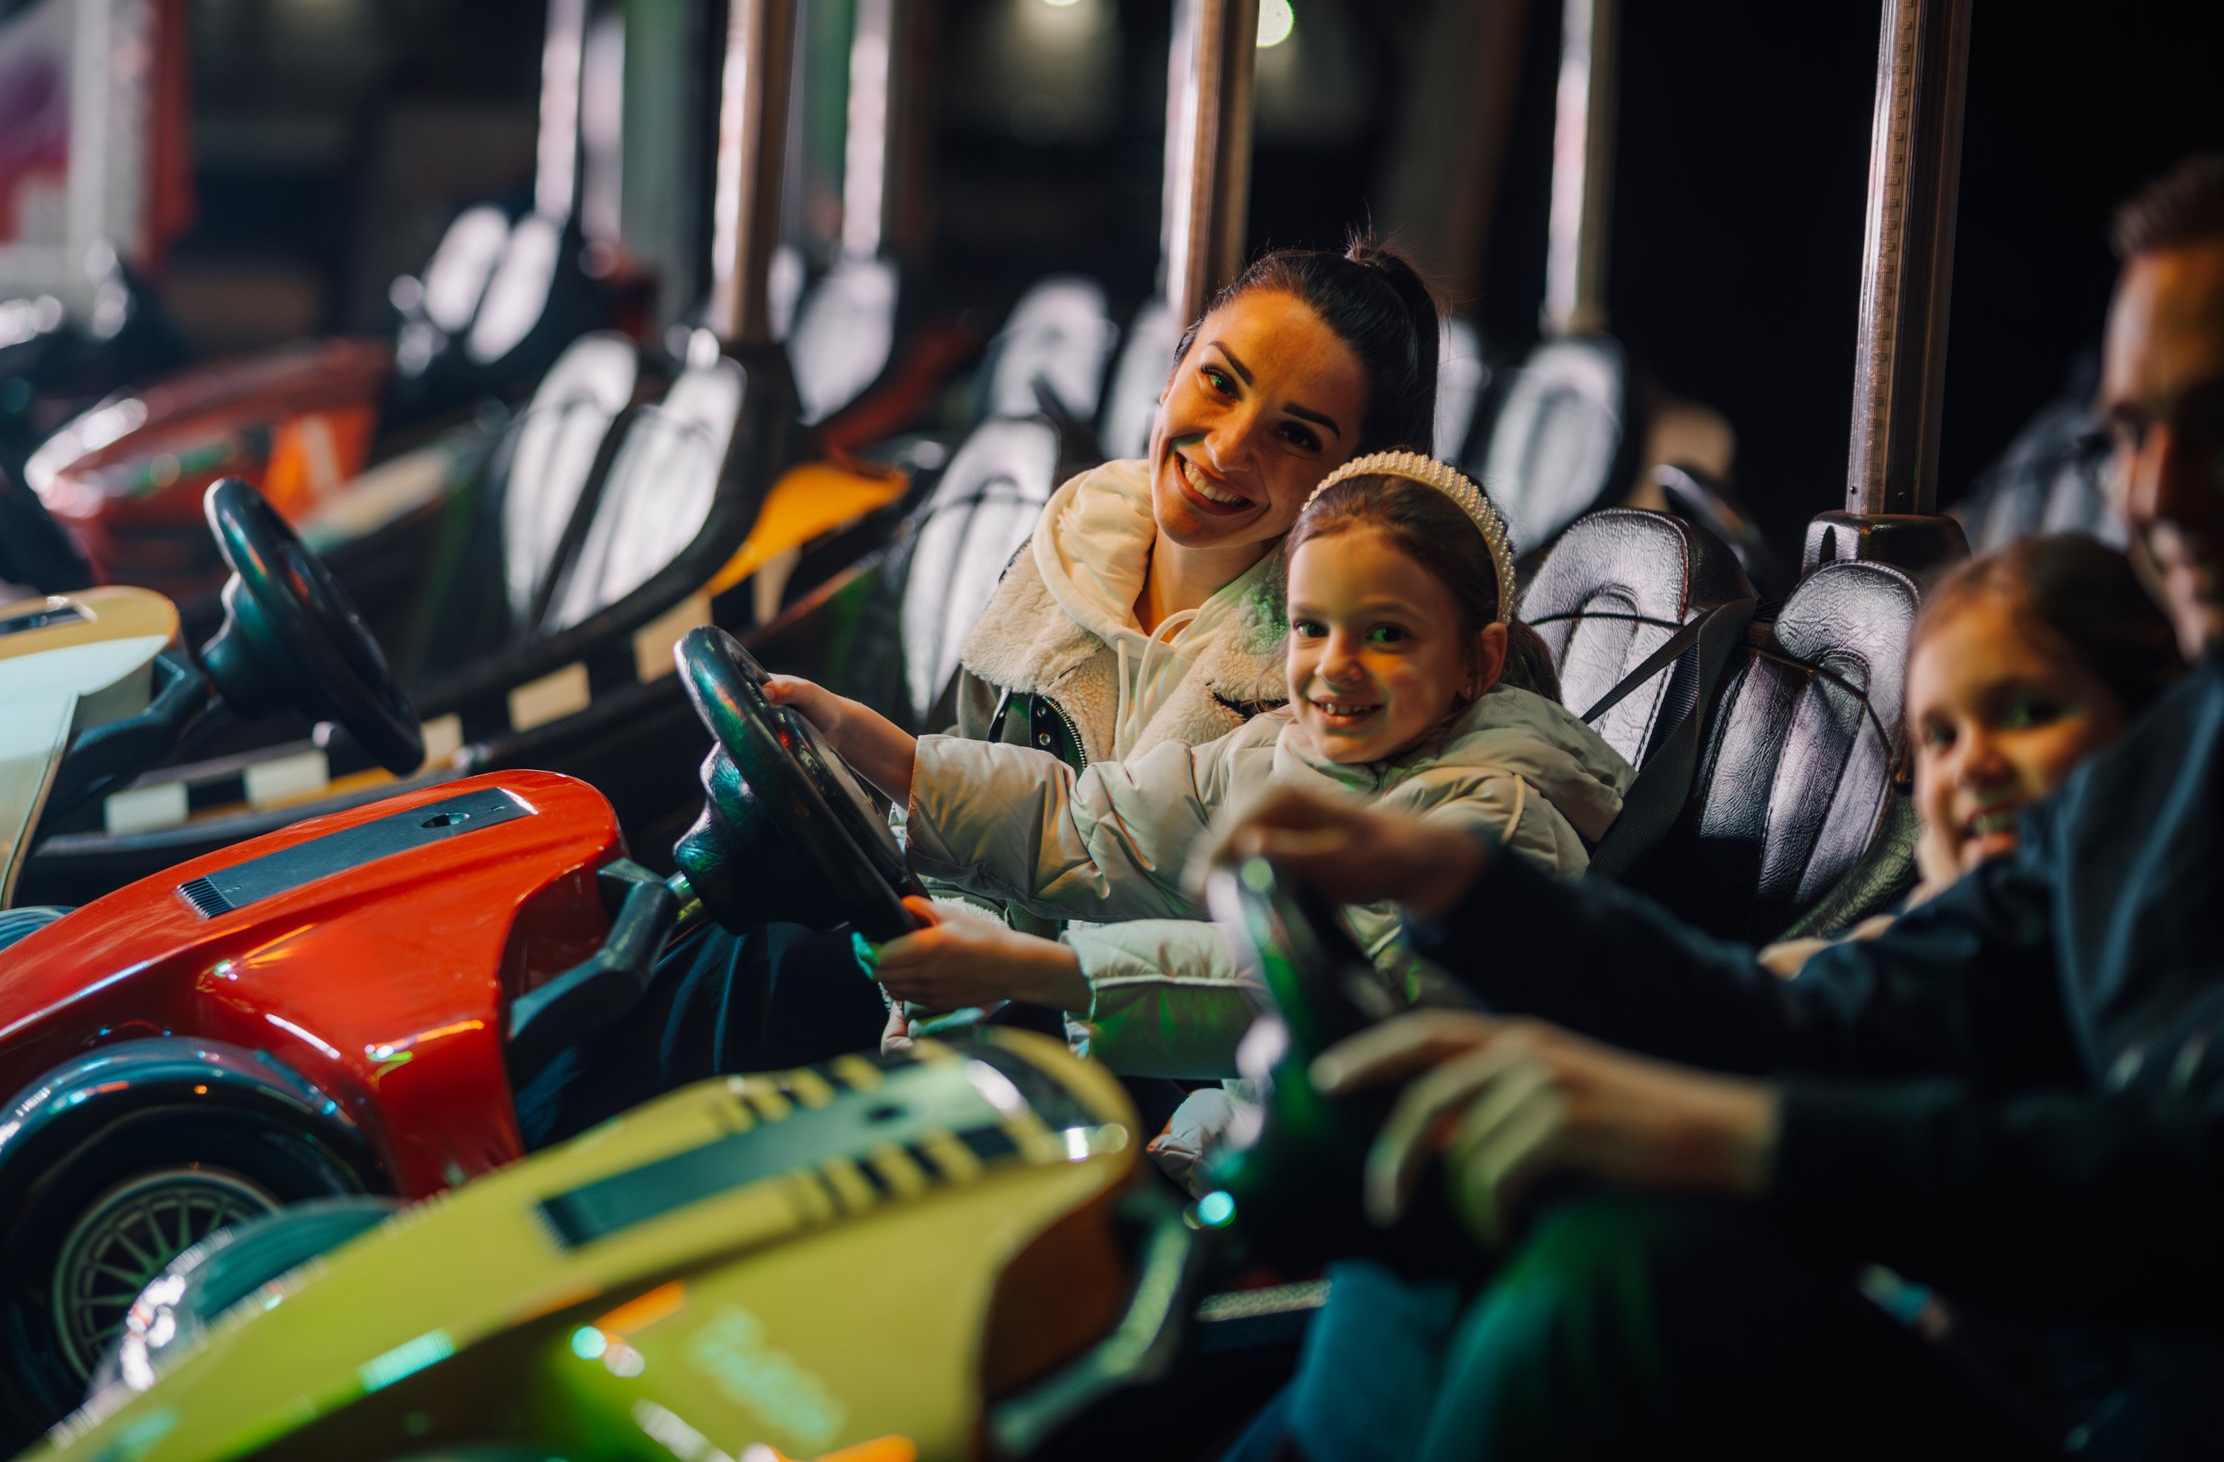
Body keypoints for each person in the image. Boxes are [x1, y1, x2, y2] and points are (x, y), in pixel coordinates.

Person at [1219, 150, 2224, 1460]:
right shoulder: (2159, 783)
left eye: (2213, 426)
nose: (2153, 497)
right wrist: (1463, 889)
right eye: (2134, 433)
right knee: (1454, 1197)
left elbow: (2166, 1187)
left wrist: (1737, 1138)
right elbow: (1826, 1021)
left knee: (1613, 1296)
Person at [517, 238, 1445, 1140]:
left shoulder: (1338, 674)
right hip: (982, 987)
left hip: (1146, 1064)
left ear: (1351, 481)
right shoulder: (1071, 550)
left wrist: (1012, 969)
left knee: (767, 979)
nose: (1228, 447)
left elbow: (1197, 906)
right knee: (732, 951)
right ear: (1171, 372)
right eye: (1219, 380)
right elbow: (976, 821)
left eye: (1293, 434)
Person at [769, 453, 1629, 1099]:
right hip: (1245, 1131)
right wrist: (870, 745)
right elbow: (1091, 826)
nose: (1336, 667)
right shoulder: (1277, 751)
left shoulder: (1499, 817)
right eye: (1311, 628)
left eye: (1388, 635)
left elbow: (1328, 985)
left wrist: (1042, 973)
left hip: (1373, 1192)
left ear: (1477, 662)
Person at [1758, 533, 2181, 978]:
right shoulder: (1939, 915)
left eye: (2030, 713)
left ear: (2159, 718)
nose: (1971, 766)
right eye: (1941, 737)